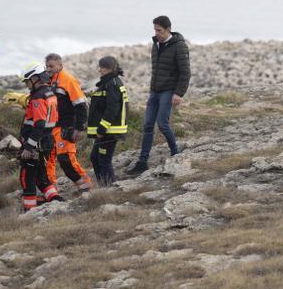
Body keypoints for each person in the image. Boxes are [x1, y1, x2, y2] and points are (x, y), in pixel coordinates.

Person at [128, 16, 191, 175]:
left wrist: (178, 93)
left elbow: (185, 72)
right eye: (155, 30)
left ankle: (175, 153)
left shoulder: (180, 46)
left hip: (169, 91)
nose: (156, 33)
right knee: (148, 125)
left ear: (168, 29)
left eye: (159, 31)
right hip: (154, 91)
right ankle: (142, 162)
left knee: (162, 124)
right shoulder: (155, 44)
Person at [19, 63, 64, 211]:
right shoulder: (49, 93)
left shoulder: (38, 97)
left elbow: (39, 124)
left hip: (36, 145)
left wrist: (29, 146)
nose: (26, 85)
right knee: (41, 176)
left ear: (35, 78)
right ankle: (55, 199)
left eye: (27, 81)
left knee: (27, 177)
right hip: (47, 141)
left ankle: (29, 209)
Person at [44, 53, 92, 192]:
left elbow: (81, 104)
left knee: (66, 159)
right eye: (47, 66)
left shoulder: (68, 80)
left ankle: (85, 186)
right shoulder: (49, 81)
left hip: (67, 126)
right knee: (48, 159)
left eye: (51, 66)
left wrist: (79, 127)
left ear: (60, 65)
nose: (48, 69)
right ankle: (50, 189)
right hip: (52, 127)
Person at [87, 56, 129, 186]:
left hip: (109, 131)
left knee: (104, 159)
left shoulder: (113, 84)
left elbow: (112, 109)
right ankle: (103, 186)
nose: (99, 70)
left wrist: (101, 129)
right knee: (95, 158)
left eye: (102, 67)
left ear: (109, 68)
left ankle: (110, 188)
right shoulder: (108, 82)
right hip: (106, 130)